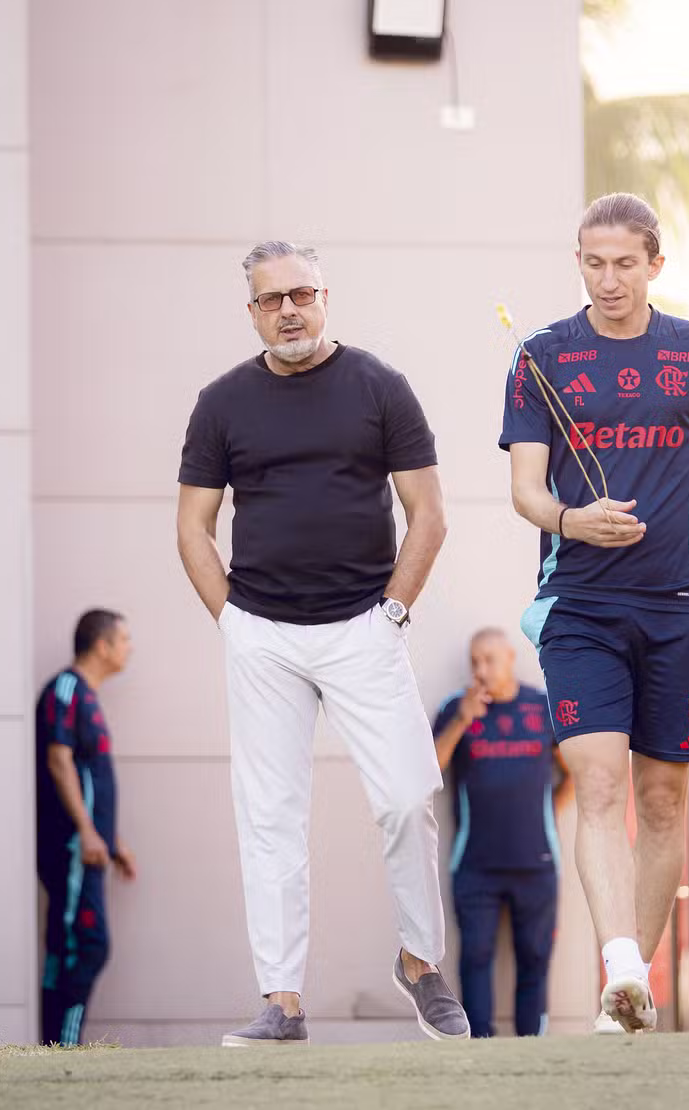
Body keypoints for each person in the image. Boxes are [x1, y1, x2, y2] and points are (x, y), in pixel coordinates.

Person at [176, 240, 469, 1046]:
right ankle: (283, 1000)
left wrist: (394, 614)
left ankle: (420, 963)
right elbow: (193, 526)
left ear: (324, 298)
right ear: (252, 313)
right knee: (270, 817)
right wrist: (233, 621)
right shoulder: (221, 403)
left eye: (301, 294)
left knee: (407, 797)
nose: (289, 311)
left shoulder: (380, 387)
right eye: (272, 300)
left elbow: (429, 514)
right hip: (262, 633)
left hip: (364, 627)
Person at [499, 193, 689, 1034]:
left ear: (655, 264)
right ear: (578, 262)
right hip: (578, 606)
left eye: (624, 263)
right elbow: (525, 490)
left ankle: (628, 995)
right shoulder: (540, 356)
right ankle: (619, 961)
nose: (608, 279)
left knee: (660, 801)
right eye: (593, 262)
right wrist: (571, 520)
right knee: (600, 783)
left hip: (678, 607)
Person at [433, 628, 573, 1038]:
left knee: (535, 958)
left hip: (537, 863)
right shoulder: (456, 708)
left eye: (489, 659)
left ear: (510, 658)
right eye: (474, 661)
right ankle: (479, 1046)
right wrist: (462, 720)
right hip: (475, 866)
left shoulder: (542, 707)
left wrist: (548, 810)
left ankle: (532, 1048)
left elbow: (575, 772)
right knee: (475, 957)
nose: (481, 670)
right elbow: (431, 769)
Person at [36, 609, 137, 1045]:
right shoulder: (66, 689)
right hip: (73, 846)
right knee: (86, 945)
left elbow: (88, 775)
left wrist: (112, 841)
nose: (130, 648)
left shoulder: (87, 697)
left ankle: (54, 1046)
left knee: (68, 945)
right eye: (124, 639)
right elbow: (59, 762)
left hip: (90, 844)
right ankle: (63, 1047)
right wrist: (88, 831)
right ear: (102, 645)